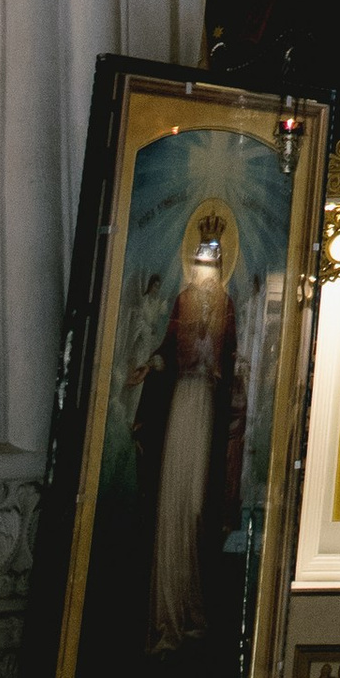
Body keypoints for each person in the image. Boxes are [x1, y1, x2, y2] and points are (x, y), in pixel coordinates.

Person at [135, 212, 239, 652]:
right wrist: (152, 365)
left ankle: (194, 610)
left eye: (214, 260)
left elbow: (233, 357)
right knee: (173, 503)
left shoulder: (227, 307)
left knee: (197, 507)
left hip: (208, 412)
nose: (206, 268)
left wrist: (222, 369)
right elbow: (165, 349)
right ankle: (167, 619)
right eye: (201, 259)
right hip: (181, 404)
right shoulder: (181, 301)